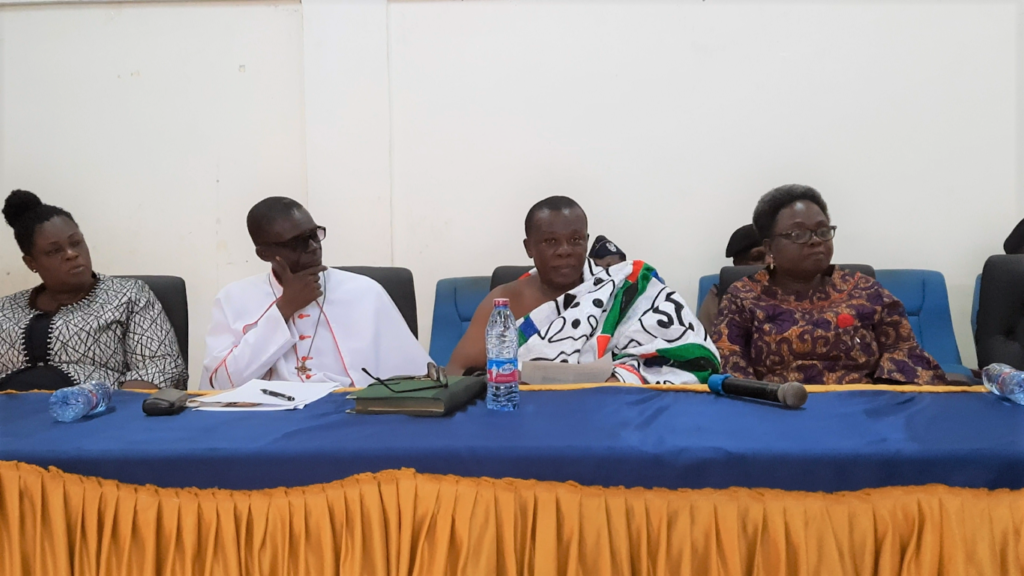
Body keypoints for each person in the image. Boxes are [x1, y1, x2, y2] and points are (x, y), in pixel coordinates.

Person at [446, 196, 720, 384]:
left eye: (575, 239)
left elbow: (683, 352)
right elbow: (457, 372)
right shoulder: (504, 301)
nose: (564, 250)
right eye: (550, 241)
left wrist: (619, 379)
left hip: (606, 415)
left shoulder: (621, 290)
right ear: (529, 247)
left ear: (587, 242)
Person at [711, 184, 948, 385]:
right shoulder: (744, 296)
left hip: (863, 408)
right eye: (798, 234)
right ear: (769, 247)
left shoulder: (865, 290)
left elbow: (904, 352)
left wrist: (881, 401)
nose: (816, 241)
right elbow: (730, 365)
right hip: (778, 409)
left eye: (823, 231)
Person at [200, 197, 431, 389]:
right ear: (265, 254)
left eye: (314, 234)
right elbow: (220, 386)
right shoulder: (233, 298)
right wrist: (284, 309)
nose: (313, 246)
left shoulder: (366, 292)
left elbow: (416, 378)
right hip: (268, 417)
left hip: (348, 412)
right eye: (297, 242)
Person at [0, 190, 187, 391]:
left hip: (102, 407)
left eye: (76, 243)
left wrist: (116, 405)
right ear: (31, 263)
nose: (71, 254)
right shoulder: (5, 309)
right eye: (54, 251)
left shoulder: (128, 295)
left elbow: (161, 367)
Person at [696, 224, 767, 329]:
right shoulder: (720, 294)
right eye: (757, 257)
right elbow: (705, 336)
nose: (770, 262)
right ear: (738, 264)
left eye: (775, 255)